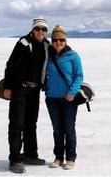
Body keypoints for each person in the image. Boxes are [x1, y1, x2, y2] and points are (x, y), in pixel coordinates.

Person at [4, 16, 50, 173]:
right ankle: (15, 159)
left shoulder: (46, 45)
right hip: (20, 89)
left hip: (35, 90)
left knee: (31, 123)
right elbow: (10, 64)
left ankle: (30, 154)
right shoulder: (23, 43)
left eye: (44, 29)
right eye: (38, 29)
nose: (40, 32)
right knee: (17, 124)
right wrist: (8, 86)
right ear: (32, 29)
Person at [45, 25, 83, 170]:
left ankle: (71, 158)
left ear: (65, 41)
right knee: (57, 129)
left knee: (69, 128)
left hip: (69, 99)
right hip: (52, 98)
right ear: (52, 41)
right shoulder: (49, 56)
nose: (58, 42)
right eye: (55, 40)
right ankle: (58, 157)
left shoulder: (73, 56)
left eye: (61, 40)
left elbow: (79, 76)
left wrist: (72, 92)